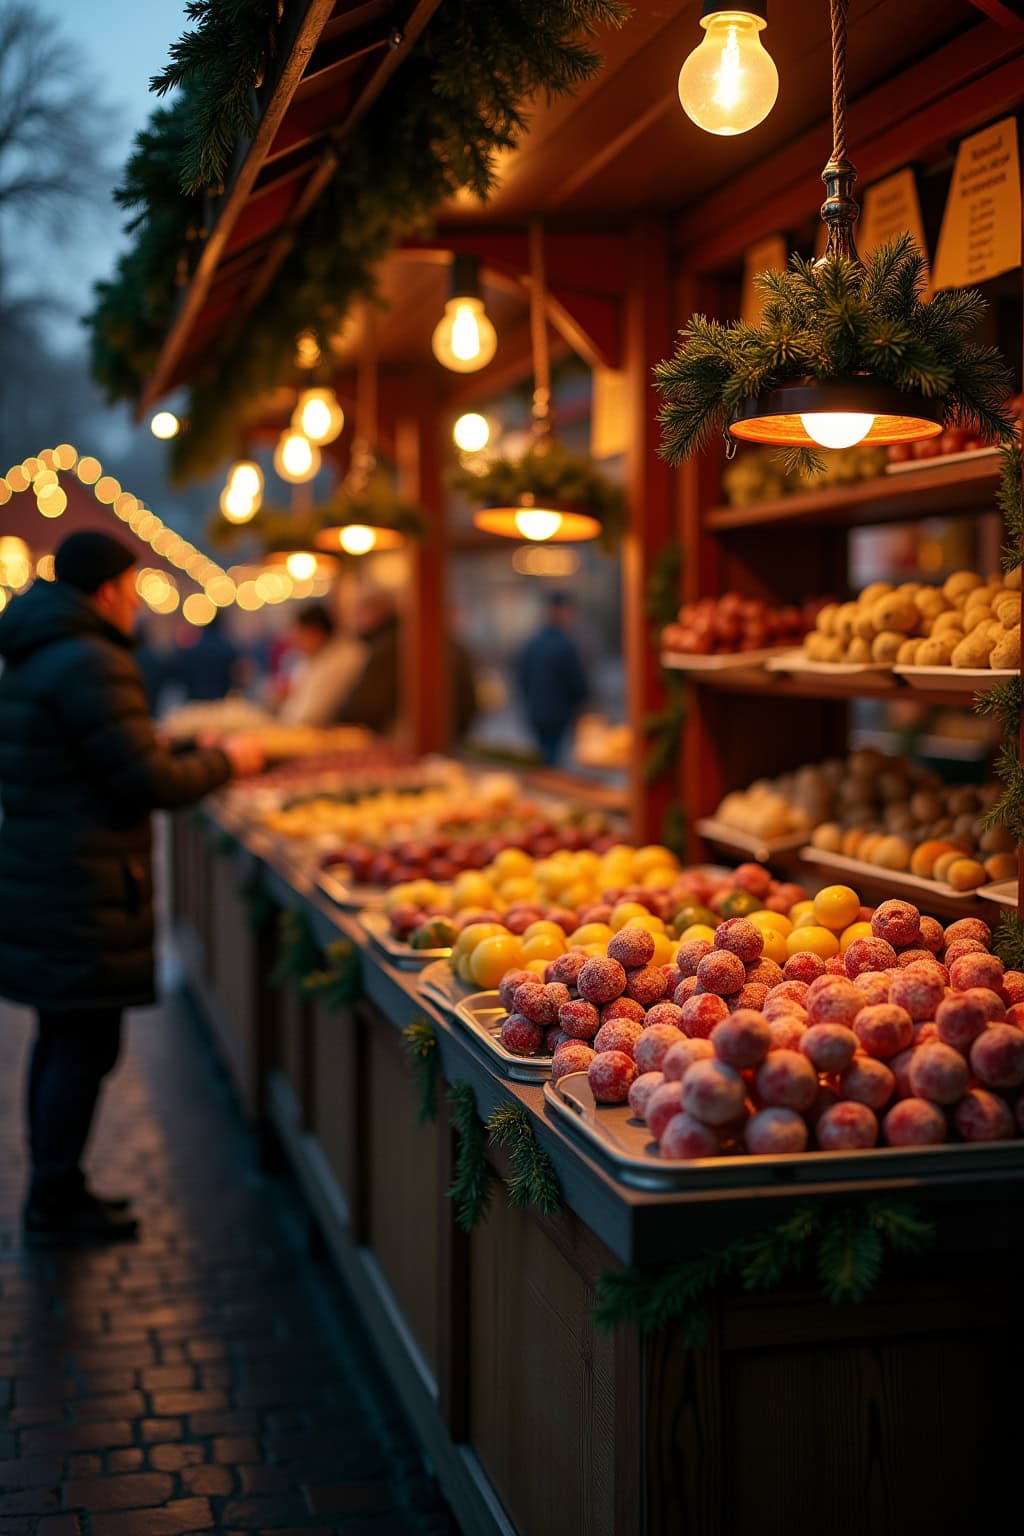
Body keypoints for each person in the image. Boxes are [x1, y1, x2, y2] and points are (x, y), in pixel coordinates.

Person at [0, 531, 263, 1246]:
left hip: (49, 871)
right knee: (81, 1044)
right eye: (134, 585)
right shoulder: (92, 659)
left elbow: (103, 750)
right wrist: (228, 763)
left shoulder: (41, 648)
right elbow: (143, 780)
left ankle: (57, 1187)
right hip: (79, 883)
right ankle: (54, 1201)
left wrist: (180, 747)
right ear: (109, 589)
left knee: (64, 1038)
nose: (138, 600)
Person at [335, 589, 477, 740]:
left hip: (406, 742)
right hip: (451, 739)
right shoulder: (446, 643)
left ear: (373, 611)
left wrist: (339, 726)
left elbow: (367, 706)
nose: (355, 618)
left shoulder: (392, 645)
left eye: (358, 611)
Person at [516, 591, 588, 765]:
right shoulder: (565, 644)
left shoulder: (533, 642)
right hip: (558, 713)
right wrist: (581, 702)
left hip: (536, 711)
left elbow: (522, 677)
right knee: (552, 759)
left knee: (543, 755)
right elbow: (576, 682)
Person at [278, 603, 366, 727]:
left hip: (321, 734)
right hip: (299, 730)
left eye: (298, 635)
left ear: (315, 633)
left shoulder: (340, 659)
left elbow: (309, 716)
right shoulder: (312, 657)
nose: (295, 642)